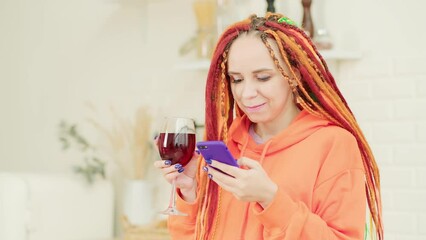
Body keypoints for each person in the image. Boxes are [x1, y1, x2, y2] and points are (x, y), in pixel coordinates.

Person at [154, 13, 383, 240]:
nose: (247, 93)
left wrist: (271, 199)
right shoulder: (227, 142)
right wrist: (190, 192)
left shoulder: (333, 144)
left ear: (293, 75)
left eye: (262, 77)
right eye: (237, 79)